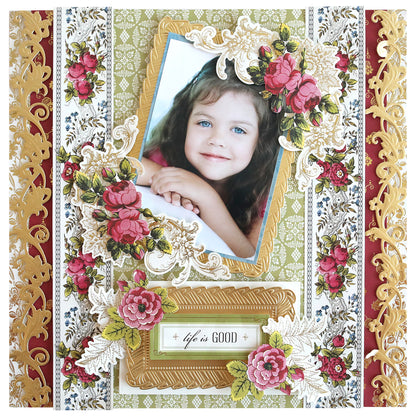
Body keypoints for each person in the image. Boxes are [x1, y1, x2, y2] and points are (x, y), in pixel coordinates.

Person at [137, 57, 280, 258]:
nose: (217, 140)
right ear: (185, 122)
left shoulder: (269, 191)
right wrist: (170, 177)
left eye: (238, 129)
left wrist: (205, 196)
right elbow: (112, 164)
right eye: (204, 123)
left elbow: (250, 259)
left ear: (261, 140)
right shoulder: (166, 155)